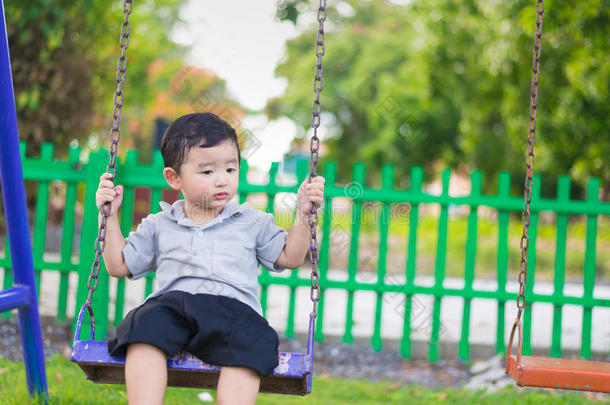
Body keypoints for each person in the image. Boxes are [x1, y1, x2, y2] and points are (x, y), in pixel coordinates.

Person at [95, 112, 325, 405]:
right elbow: (118, 264)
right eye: (207, 172)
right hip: (173, 306)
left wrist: (305, 215)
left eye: (230, 169)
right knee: (143, 326)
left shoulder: (252, 221)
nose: (222, 181)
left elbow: (290, 257)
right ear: (174, 177)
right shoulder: (160, 223)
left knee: (253, 339)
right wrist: (109, 216)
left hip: (234, 313)